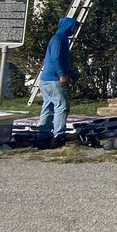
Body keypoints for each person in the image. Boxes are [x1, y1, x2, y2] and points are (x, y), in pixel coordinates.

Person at [36, 16, 77, 147]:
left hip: (46, 78)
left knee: (48, 106)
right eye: (73, 27)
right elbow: (55, 58)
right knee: (62, 106)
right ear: (68, 27)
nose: (74, 30)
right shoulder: (59, 39)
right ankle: (59, 135)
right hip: (54, 79)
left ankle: (43, 136)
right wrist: (61, 74)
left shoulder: (59, 38)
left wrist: (69, 72)